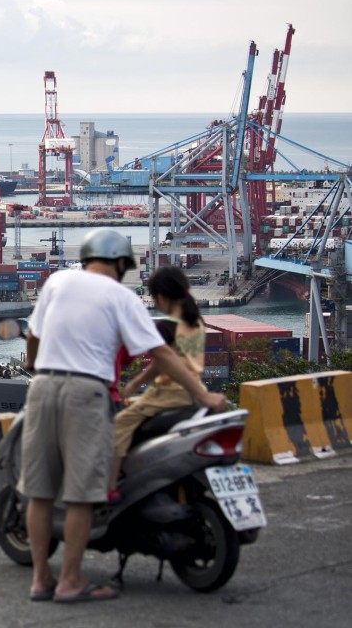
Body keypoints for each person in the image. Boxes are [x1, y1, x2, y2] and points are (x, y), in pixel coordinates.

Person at [19, 230, 227, 604]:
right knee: (83, 495)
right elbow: (162, 355)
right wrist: (203, 394)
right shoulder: (123, 297)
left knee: (39, 491)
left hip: (42, 388)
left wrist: (34, 364)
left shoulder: (56, 281)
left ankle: (40, 579)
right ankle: (69, 581)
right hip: (87, 393)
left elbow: (34, 334)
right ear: (119, 263)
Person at [108, 266, 208, 502]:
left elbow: (162, 360)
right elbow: (166, 362)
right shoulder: (195, 320)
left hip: (169, 394)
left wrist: (132, 380)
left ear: (161, 297)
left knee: (118, 426)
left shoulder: (165, 327)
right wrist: (134, 385)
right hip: (194, 390)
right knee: (132, 402)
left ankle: (109, 487)